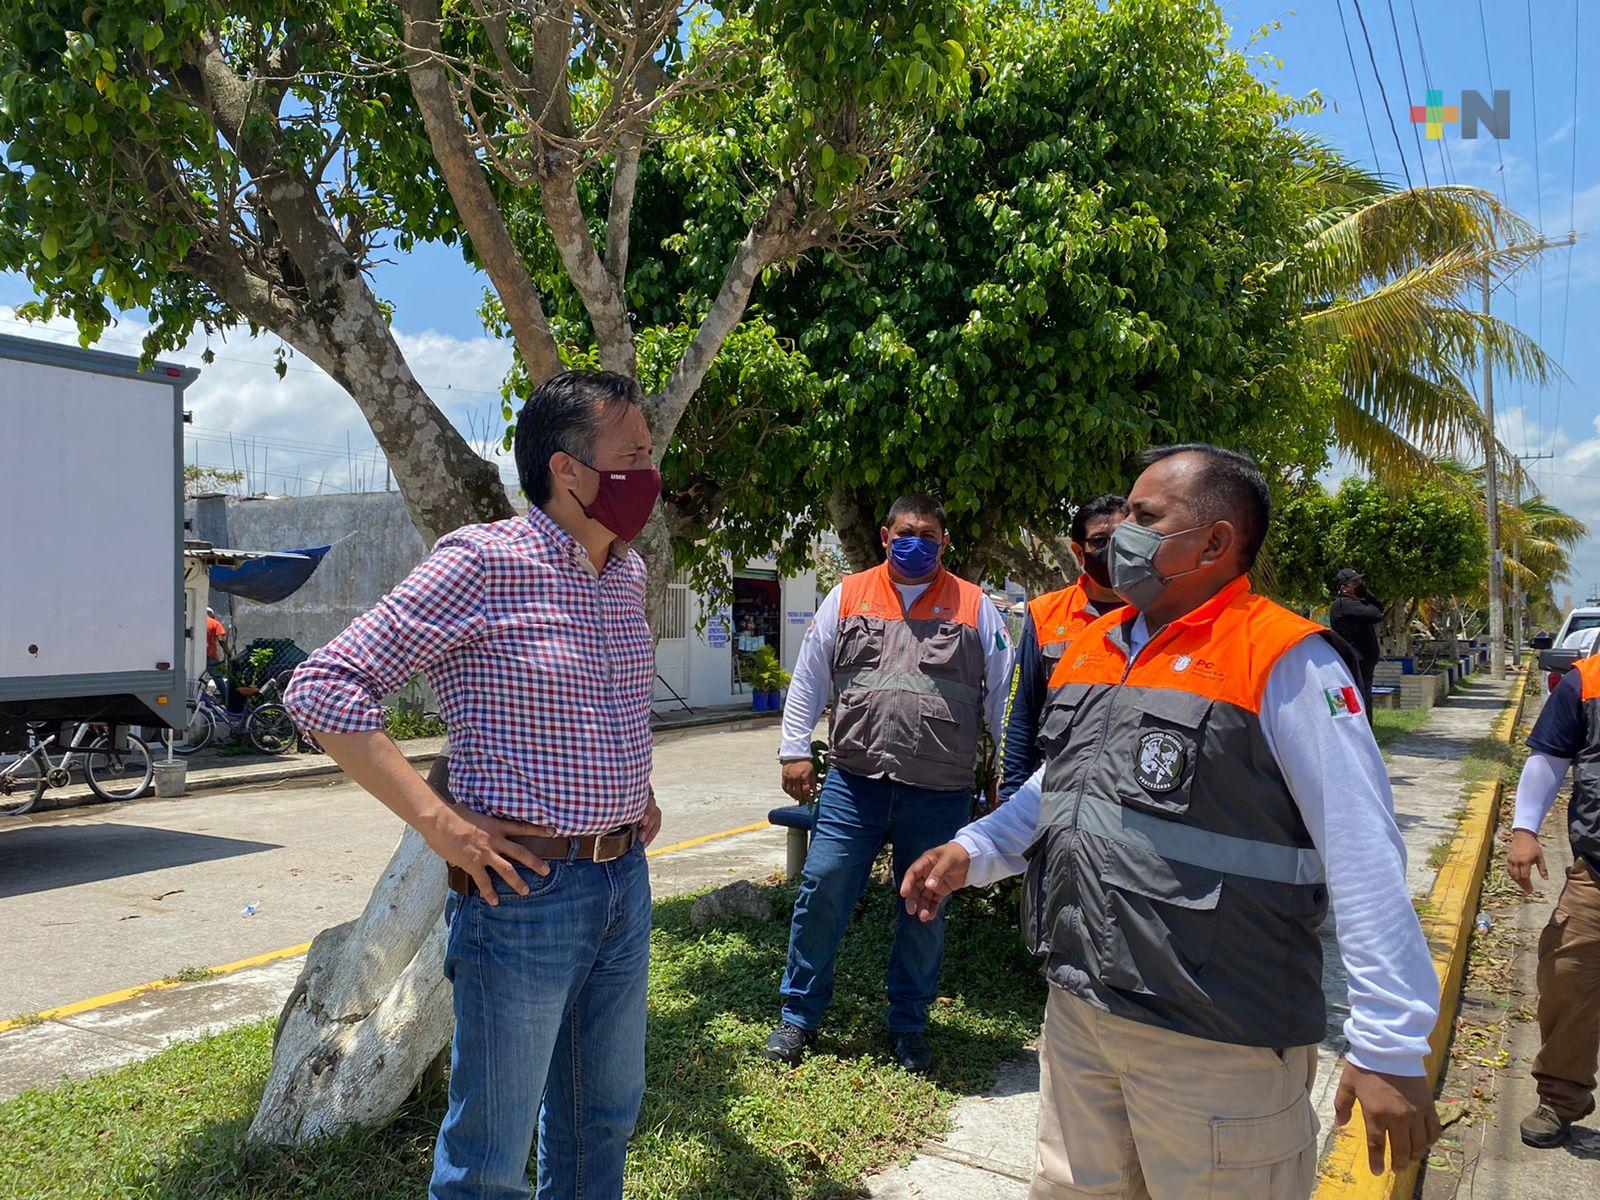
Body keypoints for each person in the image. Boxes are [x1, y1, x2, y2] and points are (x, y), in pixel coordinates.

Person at [902, 445, 1442, 1199]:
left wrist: (1389, 1042)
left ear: (1215, 543)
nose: (1122, 532)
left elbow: (1363, 849)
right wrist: (978, 848)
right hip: (1083, 1011)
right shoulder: (1097, 644)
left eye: (1145, 517)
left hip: (1218, 1037)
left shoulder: (1285, 660)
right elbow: (1065, 782)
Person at [285, 371, 665, 1200]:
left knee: (601, 1118)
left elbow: (603, 700)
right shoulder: (484, 562)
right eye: (633, 454)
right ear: (567, 470)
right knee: (489, 1159)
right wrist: (440, 825)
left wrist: (631, 790)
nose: (650, 471)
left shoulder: (625, 573)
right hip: (524, 897)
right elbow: (324, 688)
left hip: (622, 884)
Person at [766, 493, 1012, 1074]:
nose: (916, 543)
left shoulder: (976, 607)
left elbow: (1004, 694)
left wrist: (1009, 772)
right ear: (884, 536)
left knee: (925, 905)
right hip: (855, 783)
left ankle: (909, 1025)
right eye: (906, 533)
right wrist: (795, 749)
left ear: (945, 542)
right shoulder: (847, 595)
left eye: (928, 535)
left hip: (939, 789)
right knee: (823, 887)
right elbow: (810, 675)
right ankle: (798, 1016)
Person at [1504, 647, 1600, 1148]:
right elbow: (1549, 759)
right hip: (1596, 875)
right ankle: (1562, 1097)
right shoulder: (1587, 681)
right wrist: (1525, 830)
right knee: (1566, 977)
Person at [998, 495, 1127, 802]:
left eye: (1122, 540)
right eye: (1100, 541)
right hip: (1055, 786)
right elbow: (1021, 713)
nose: (1112, 550)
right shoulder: (1046, 614)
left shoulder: (1160, 614)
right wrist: (1010, 794)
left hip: (1127, 791)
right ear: (1079, 552)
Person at [1329, 568, 1384, 725]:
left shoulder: (1356, 604)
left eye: (1361, 582)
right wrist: (1366, 596)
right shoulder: (1343, 605)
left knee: (1365, 699)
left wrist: (1365, 595)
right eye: (1356, 583)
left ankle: (1367, 733)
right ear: (1344, 588)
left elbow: (1378, 608)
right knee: (1360, 700)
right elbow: (1376, 614)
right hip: (1355, 662)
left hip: (1363, 664)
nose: (1361, 586)